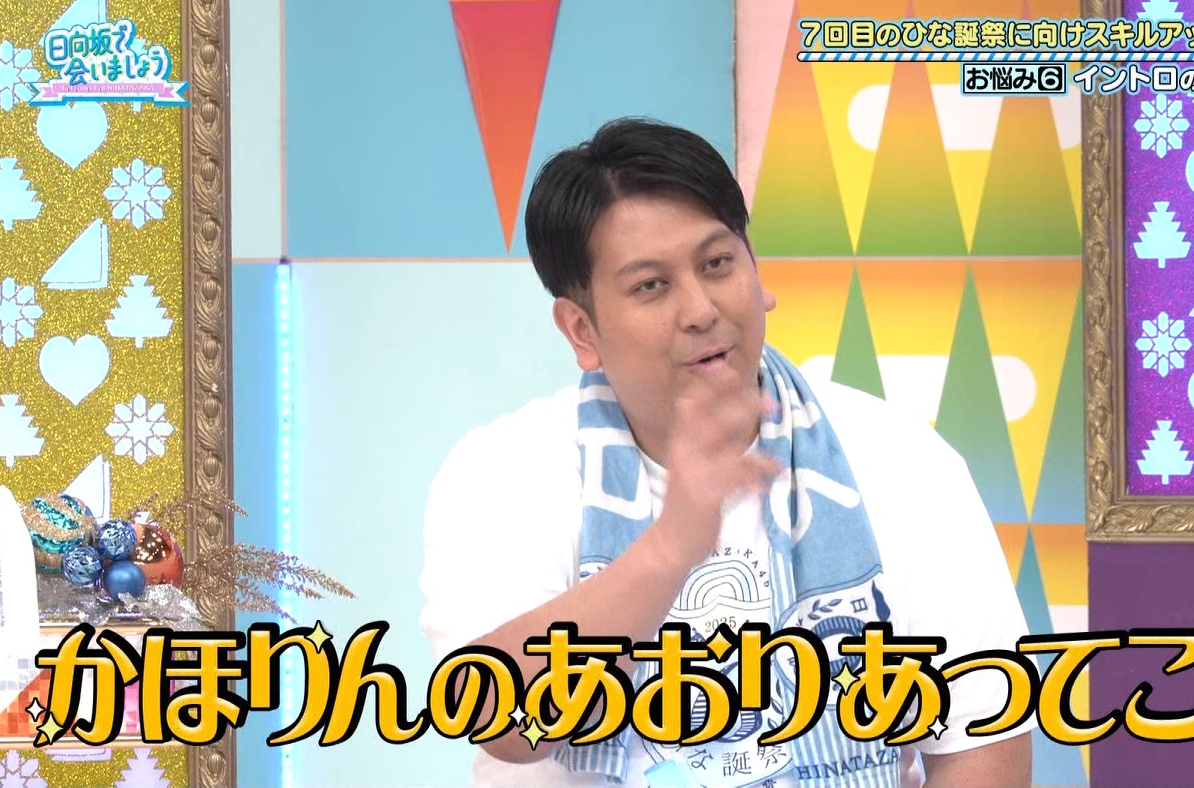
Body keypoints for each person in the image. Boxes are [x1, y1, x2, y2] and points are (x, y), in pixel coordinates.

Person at [419, 117, 1035, 788]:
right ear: (581, 329)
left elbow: (983, 744)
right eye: (651, 286)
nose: (701, 310)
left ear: (755, 269)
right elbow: (503, 723)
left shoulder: (903, 460)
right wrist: (671, 546)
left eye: (716, 264)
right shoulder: (502, 472)